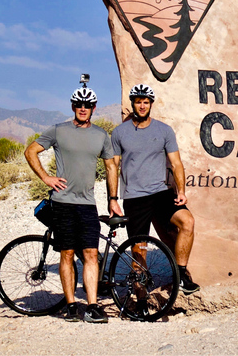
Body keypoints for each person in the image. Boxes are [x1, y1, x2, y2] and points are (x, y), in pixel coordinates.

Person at [24, 80, 116, 323]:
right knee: (66, 253)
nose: (83, 108)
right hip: (62, 202)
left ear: (94, 108)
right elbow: (30, 151)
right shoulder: (58, 130)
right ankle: (72, 305)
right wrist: (45, 177)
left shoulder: (100, 135)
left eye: (87, 105)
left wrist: (113, 199)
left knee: (90, 253)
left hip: (87, 204)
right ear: (73, 106)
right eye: (79, 104)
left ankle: (93, 305)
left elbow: (111, 166)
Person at [109, 84, 200, 301]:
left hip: (161, 193)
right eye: (138, 102)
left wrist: (181, 191)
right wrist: (112, 199)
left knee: (187, 222)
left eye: (146, 102)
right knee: (139, 251)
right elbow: (113, 167)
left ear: (151, 104)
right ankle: (140, 301)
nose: (142, 106)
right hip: (134, 197)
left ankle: (180, 274)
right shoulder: (119, 132)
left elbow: (176, 164)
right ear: (133, 104)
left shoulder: (164, 130)